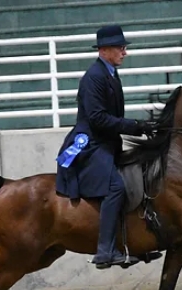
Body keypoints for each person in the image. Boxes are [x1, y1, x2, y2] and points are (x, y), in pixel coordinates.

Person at [55, 24, 162, 270]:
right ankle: (104, 251)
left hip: (107, 142)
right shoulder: (94, 78)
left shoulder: (110, 74)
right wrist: (135, 126)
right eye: (120, 48)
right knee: (116, 187)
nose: (125, 52)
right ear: (104, 50)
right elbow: (98, 119)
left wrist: (140, 127)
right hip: (90, 144)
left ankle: (135, 243)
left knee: (139, 177)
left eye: (124, 48)